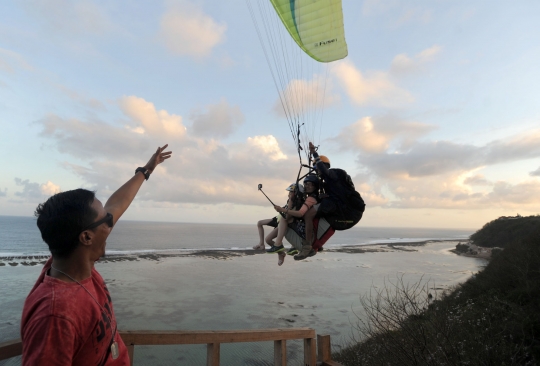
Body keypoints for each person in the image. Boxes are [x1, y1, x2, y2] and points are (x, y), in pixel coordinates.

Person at [21, 144, 172, 365]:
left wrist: (146, 170)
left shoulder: (71, 262)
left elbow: (117, 204)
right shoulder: (55, 316)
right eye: (105, 220)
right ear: (86, 237)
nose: (111, 221)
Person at [297, 142, 365, 260]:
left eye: (315, 167)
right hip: (341, 208)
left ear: (322, 165)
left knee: (308, 215)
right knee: (316, 217)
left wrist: (314, 153)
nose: (315, 170)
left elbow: (324, 171)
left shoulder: (333, 173)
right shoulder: (330, 182)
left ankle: (307, 247)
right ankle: (317, 245)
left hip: (342, 209)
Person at [267, 175, 319, 264]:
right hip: (301, 227)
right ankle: (281, 252)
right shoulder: (306, 199)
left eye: (311, 185)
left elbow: (298, 214)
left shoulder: (308, 199)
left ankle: (279, 244)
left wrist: (284, 209)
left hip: (302, 230)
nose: (307, 186)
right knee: (268, 239)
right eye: (306, 184)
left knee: (283, 220)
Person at [252, 183, 303, 251]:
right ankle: (261, 244)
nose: (289, 194)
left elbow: (287, 216)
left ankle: (280, 253)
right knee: (259, 223)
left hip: (281, 221)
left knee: (269, 239)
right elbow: (285, 210)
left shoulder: (295, 203)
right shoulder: (290, 201)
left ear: (297, 193)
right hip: (277, 219)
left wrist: (287, 205)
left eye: (291, 192)